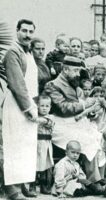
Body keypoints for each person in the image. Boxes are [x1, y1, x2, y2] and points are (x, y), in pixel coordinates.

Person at [44, 56, 105, 187]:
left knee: (96, 134)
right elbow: (63, 108)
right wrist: (84, 105)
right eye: (75, 71)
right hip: (59, 124)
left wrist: (92, 110)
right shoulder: (52, 85)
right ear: (65, 70)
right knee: (86, 138)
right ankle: (93, 180)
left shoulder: (74, 85)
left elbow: (83, 106)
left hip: (74, 122)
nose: (78, 74)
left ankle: (95, 177)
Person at [2, 19, 39, 200]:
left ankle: (24, 183)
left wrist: (35, 106)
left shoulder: (29, 53)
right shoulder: (12, 53)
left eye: (31, 32)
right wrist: (29, 108)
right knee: (14, 144)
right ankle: (11, 188)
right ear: (17, 31)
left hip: (30, 103)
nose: (27, 35)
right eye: (24, 31)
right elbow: (17, 84)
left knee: (27, 145)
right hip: (17, 104)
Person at [29, 95, 55, 195]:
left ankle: (45, 186)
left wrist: (35, 119)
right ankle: (32, 187)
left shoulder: (50, 117)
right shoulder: (35, 116)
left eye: (47, 106)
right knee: (34, 165)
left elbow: (46, 122)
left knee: (46, 165)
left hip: (46, 145)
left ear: (50, 107)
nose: (44, 108)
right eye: (42, 105)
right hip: (36, 144)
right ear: (37, 106)